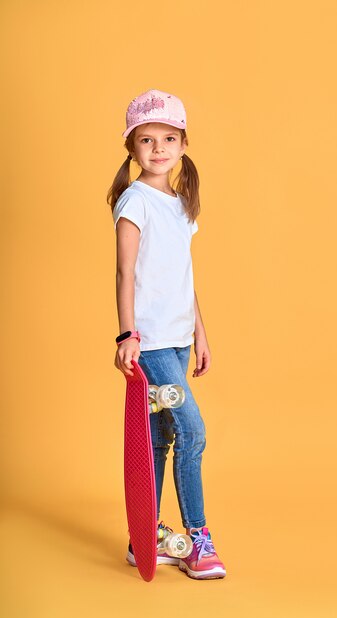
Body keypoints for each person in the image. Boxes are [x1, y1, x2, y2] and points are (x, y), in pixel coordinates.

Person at [107, 89, 226, 580]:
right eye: (147, 140)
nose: (158, 148)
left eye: (169, 139)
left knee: (160, 439)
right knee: (192, 431)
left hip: (177, 341)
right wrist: (127, 335)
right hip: (152, 341)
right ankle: (197, 539)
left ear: (183, 144)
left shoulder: (180, 204)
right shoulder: (135, 201)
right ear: (132, 148)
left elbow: (185, 277)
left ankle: (146, 537)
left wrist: (200, 333)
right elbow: (124, 272)